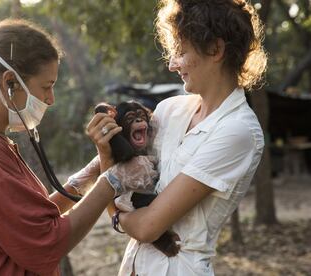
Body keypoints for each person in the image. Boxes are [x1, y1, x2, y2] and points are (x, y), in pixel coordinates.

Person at [0, 19, 158, 276]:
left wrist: (88, 175)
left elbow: (25, 224)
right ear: (10, 82)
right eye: (47, 86)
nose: (50, 100)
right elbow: (47, 243)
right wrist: (113, 180)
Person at [96, 0, 268, 275]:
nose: (173, 65)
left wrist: (117, 215)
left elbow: (147, 226)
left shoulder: (238, 131)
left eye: (181, 51)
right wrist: (106, 150)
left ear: (215, 49)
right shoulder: (168, 110)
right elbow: (121, 190)